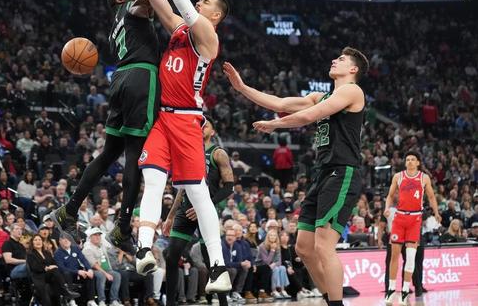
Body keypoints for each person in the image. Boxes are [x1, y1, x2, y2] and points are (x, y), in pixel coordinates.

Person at [46, 0, 235, 255]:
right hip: (141, 80)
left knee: (108, 153)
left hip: (120, 81)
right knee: (136, 157)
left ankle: (69, 209)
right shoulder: (133, 7)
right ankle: (122, 228)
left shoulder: (116, 25)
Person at [224, 46, 369, 306]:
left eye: (341, 59)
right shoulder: (321, 96)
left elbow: (310, 116)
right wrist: (242, 88)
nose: (334, 60)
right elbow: (280, 103)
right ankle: (330, 300)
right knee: (303, 248)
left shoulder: (352, 91)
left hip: (342, 171)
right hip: (322, 173)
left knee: (324, 246)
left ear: (353, 69)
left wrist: (275, 124)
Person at [130, 0, 232, 293]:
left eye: (206, 1)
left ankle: (219, 267)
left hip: (188, 120)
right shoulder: (179, 30)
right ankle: (144, 248)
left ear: (215, 15)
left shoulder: (207, 36)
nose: (200, 2)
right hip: (164, 118)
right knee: (153, 180)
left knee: (198, 193)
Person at [162, 118, 235, 306]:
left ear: (213, 132)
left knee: (211, 259)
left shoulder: (218, 153)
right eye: (199, 125)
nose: (202, 128)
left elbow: (229, 187)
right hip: (186, 210)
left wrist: (204, 205)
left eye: (206, 125)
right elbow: (182, 188)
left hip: (206, 210)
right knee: (171, 256)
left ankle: (223, 304)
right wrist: (170, 216)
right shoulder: (188, 152)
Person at [384, 151, 441, 305]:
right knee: (394, 256)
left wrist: (436, 213)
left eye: (412, 159)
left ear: (418, 163)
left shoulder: (424, 178)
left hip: (415, 219)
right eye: (407, 159)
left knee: (410, 257)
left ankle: (404, 291)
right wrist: (387, 208)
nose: (409, 161)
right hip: (399, 218)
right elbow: (390, 195)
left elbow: (431, 197)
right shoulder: (398, 176)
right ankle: (391, 289)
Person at [26, 234, 80, 306]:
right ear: (32, 243)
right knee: (54, 271)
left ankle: (64, 292)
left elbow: (54, 263)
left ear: (42, 242)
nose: (38, 241)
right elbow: (35, 267)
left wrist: (53, 266)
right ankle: (65, 290)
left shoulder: (47, 253)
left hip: (50, 276)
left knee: (57, 273)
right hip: (39, 277)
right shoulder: (30, 254)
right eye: (35, 240)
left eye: (39, 240)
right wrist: (47, 268)